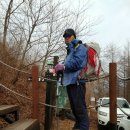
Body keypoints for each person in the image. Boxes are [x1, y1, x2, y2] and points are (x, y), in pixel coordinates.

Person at [63, 28, 89, 130]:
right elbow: (68, 64)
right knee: (75, 110)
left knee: (80, 110)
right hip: (70, 83)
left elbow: (78, 63)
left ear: (74, 36)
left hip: (78, 82)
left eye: (68, 36)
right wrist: (58, 67)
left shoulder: (80, 47)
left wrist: (64, 66)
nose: (66, 38)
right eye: (65, 37)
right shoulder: (70, 51)